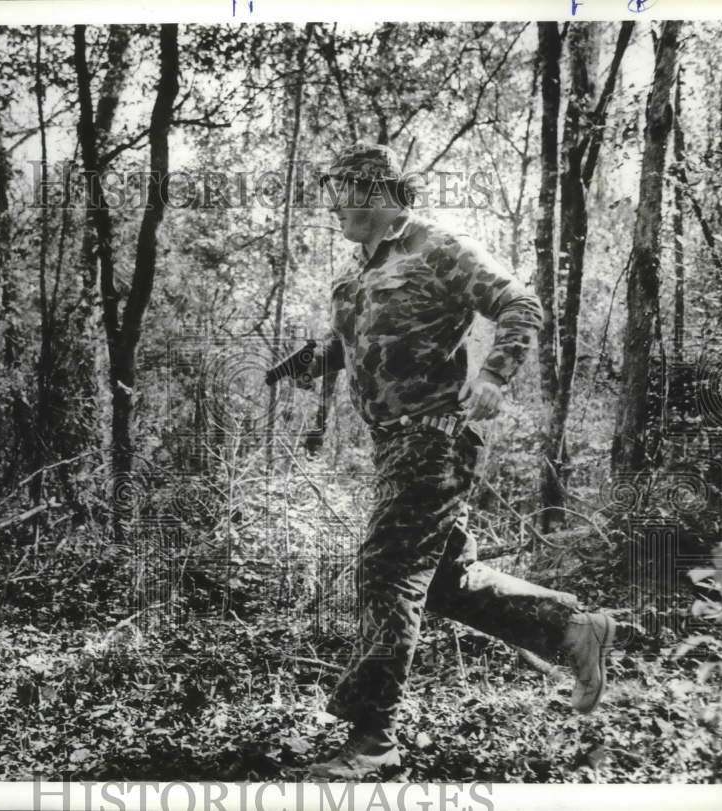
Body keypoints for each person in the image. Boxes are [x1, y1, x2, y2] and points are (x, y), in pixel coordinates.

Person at [295, 142, 617, 780]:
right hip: (393, 443)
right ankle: (572, 627)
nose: (332, 204)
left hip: (434, 436)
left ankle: (373, 739)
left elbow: (519, 303)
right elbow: (355, 342)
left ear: (378, 191)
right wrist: (313, 362)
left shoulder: (436, 248)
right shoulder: (357, 274)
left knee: (385, 571)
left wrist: (496, 374)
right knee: (444, 582)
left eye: (342, 190)